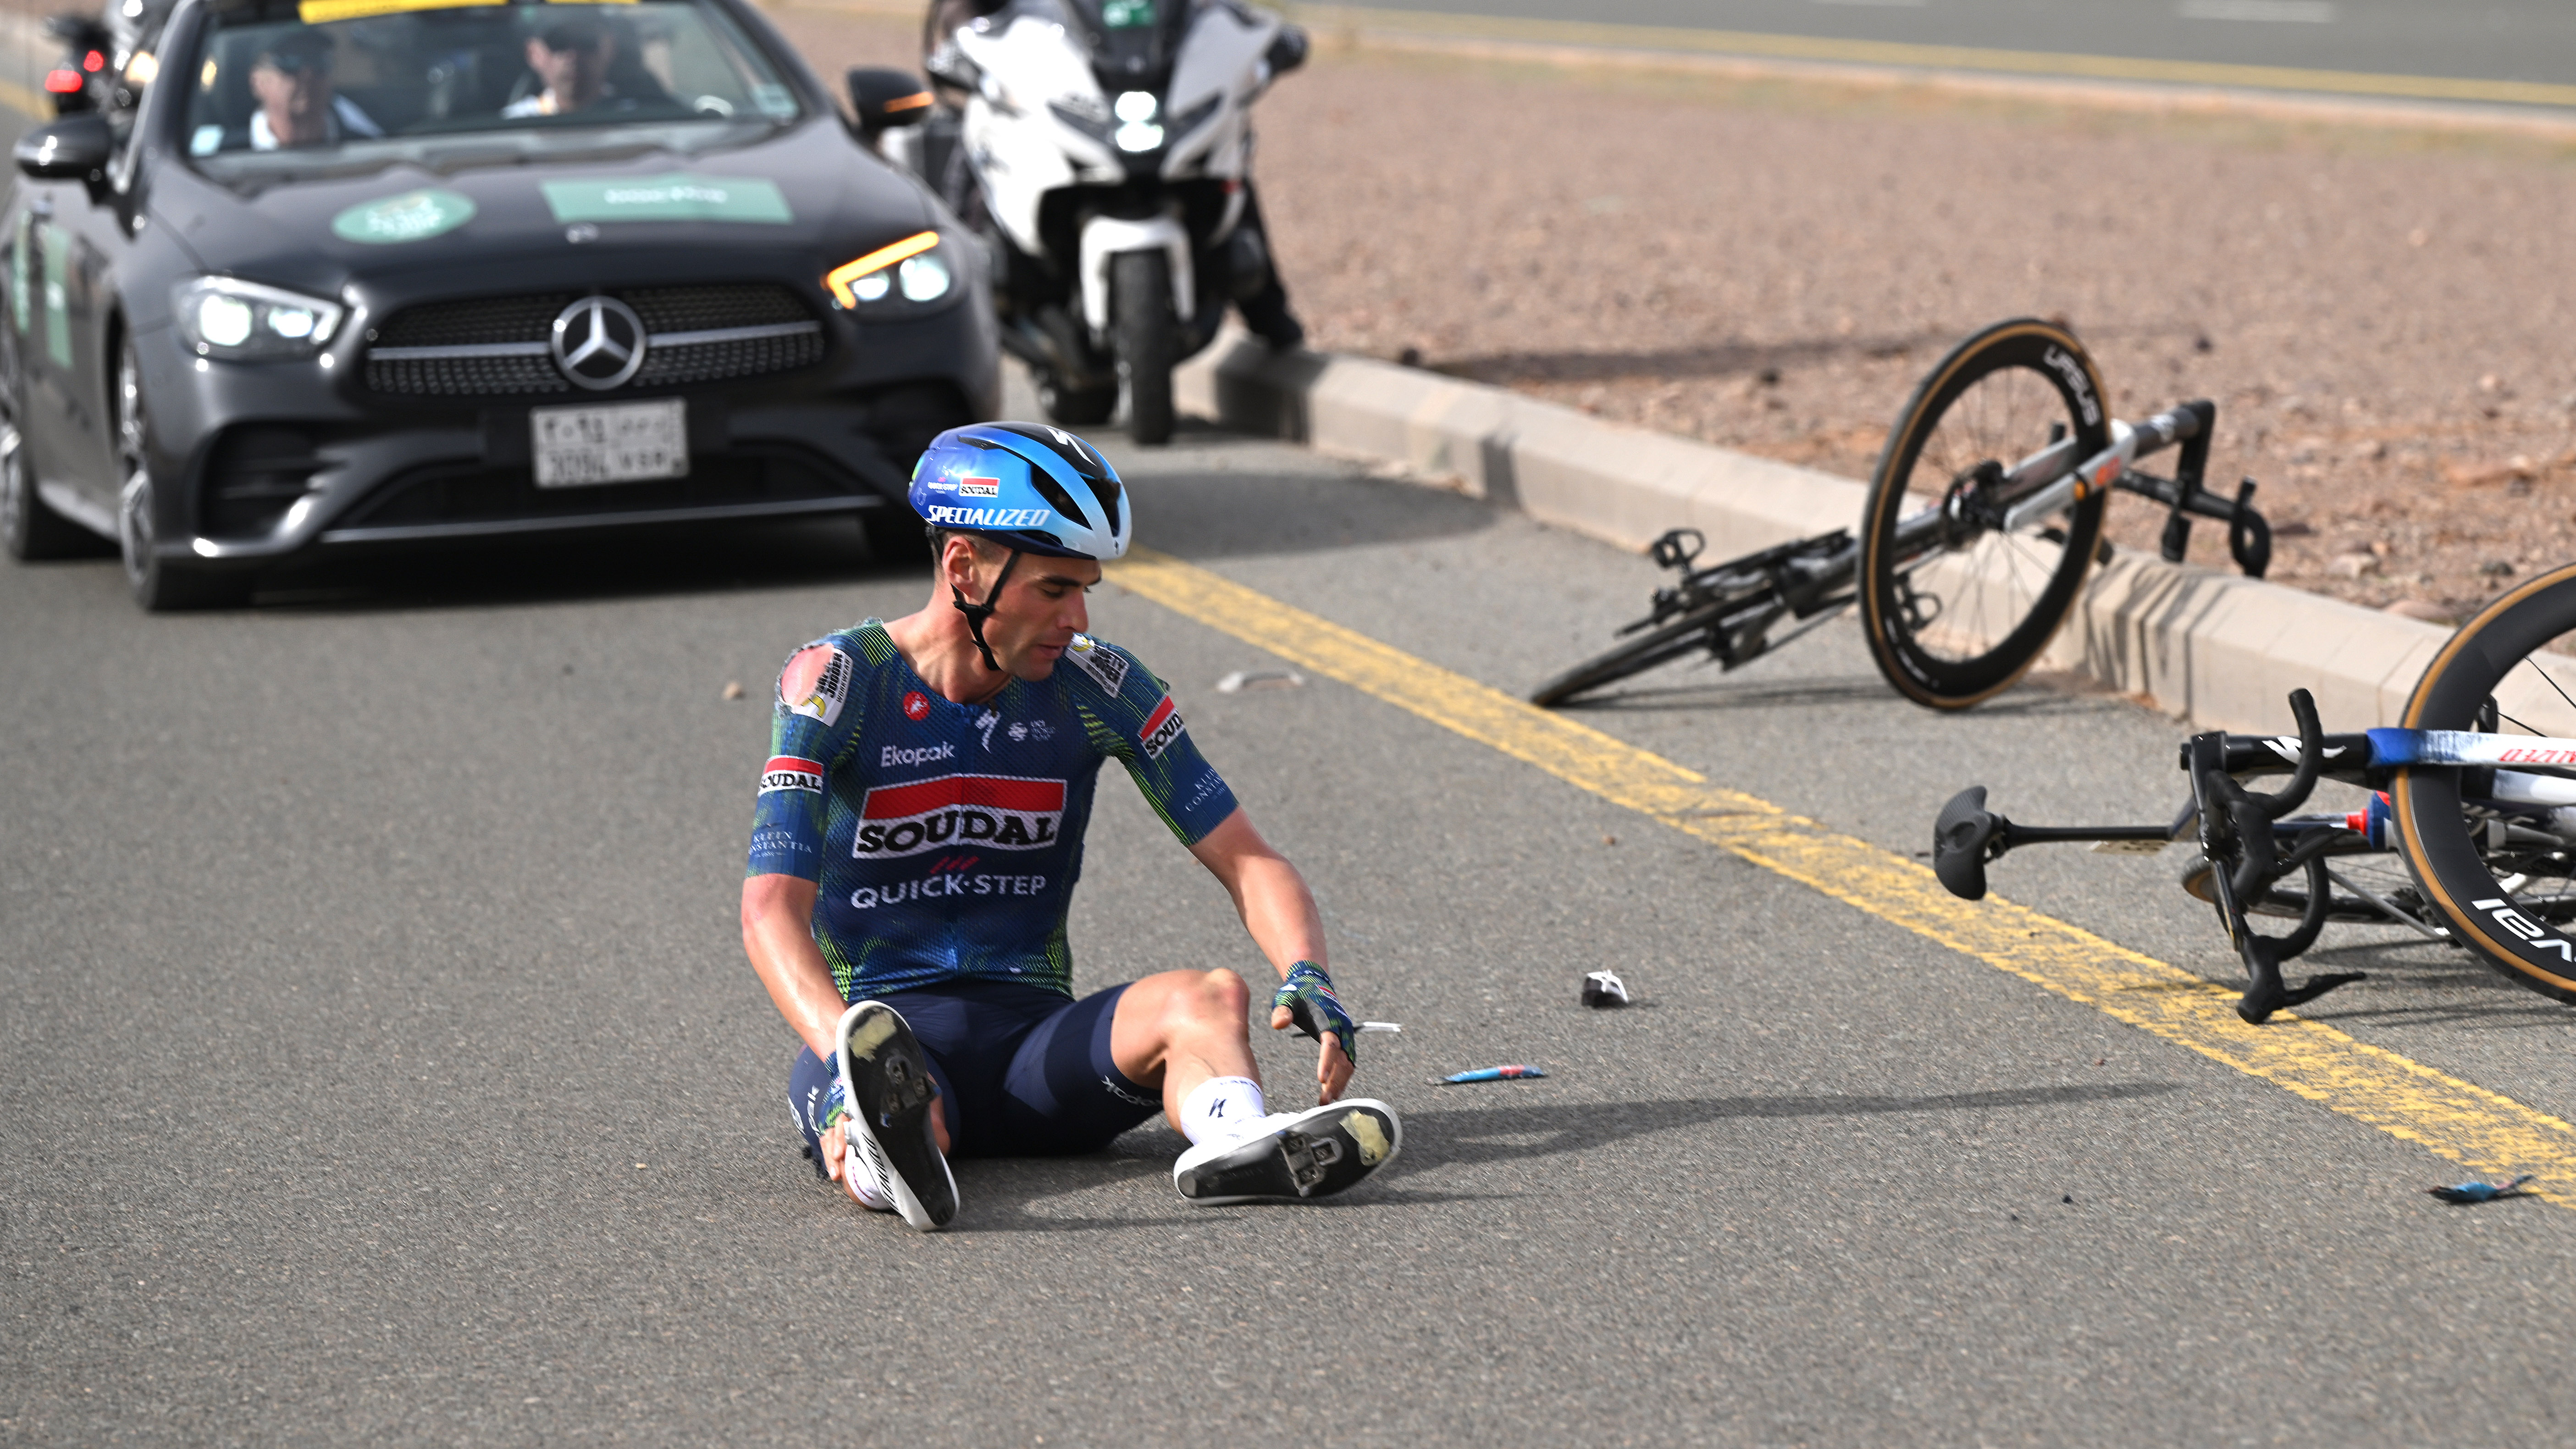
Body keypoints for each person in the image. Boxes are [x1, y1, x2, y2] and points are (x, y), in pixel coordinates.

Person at [740, 423, 1399, 1231]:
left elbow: (1248, 858)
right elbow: (769, 908)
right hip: (884, 1034)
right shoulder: (835, 684)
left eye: (1086, 588)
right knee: (892, 1085)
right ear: (963, 569)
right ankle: (884, 1149)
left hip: (1035, 1052)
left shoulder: (1099, 686)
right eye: (1053, 589)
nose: (1076, 617)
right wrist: (840, 1058)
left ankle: (1237, 1140)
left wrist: (1308, 970)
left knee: (1207, 996)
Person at [246, 26, 381, 149]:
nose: (307, 74)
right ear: (257, 82)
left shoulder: (369, 148)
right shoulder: (230, 155)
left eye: (318, 61)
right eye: (289, 62)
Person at [502, 15, 619, 117]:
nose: (573, 56)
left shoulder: (632, 121)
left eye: (586, 42)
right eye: (559, 43)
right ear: (534, 54)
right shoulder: (512, 125)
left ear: (609, 49)